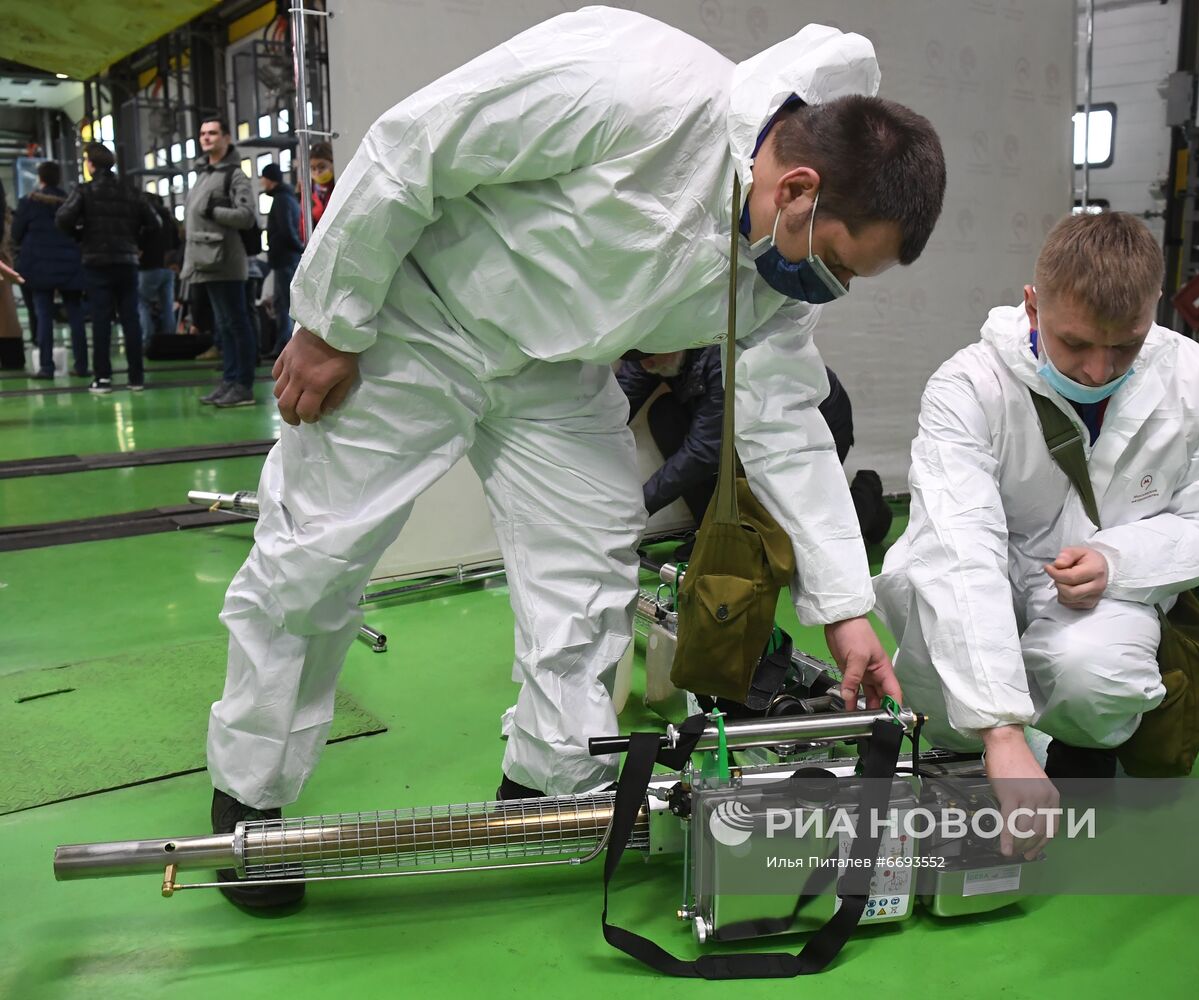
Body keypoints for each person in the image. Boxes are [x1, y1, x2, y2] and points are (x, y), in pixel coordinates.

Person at [208, 7, 947, 909]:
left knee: (589, 561)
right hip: (417, 318)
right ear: (796, 186)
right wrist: (332, 318)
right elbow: (414, 148)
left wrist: (842, 608)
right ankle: (248, 804)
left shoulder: (776, 260)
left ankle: (547, 785)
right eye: (831, 260)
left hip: (551, 370)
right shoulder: (629, 80)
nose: (821, 286)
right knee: (314, 560)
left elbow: (784, 419)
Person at [874, 213, 1199, 861]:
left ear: (1152, 311)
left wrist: (1118, 561)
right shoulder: (968, 386)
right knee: (919, 585)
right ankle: (979, 747)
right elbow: (960, 548)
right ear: (1032, 304)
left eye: (1125, 346)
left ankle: (1081, 742)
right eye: (1074, 343)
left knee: (1091, 673)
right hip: (989, 562)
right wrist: (998, 731)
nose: (1096, 369)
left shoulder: (1189, 380)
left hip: (1102, 587)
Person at [616, 346, 893, 555]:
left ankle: (867, 494)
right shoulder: (650, 349)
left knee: (797, 550)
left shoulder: (722, 353)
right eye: (641, 357)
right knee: (666, 414)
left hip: (810, 428)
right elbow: (612, 410)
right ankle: (717, 534)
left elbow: (703, 451)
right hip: (746, 428)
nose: (647, 363)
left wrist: (636, 508)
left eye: (652, 355)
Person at [55, 143, 159, 393]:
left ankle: (102, 378)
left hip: (96, 263)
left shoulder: (85, 191)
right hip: (127, 262)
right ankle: (136, 377)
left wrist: (80, 236)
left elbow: (62, 219)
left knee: (101, 320)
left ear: (91, 164)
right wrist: (137, 242)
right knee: (130, 319)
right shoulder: (130, 191)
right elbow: (155, 223)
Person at [182, 115, 258, 407]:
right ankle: (229, 380)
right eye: (203, 133)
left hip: (226, 261)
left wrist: (216, 213)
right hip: (205, 261)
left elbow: (247, 216)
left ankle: (244, 385)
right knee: (223, 326)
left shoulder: (234, 175)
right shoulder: (204, 174)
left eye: (213, 133)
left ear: (226, 138)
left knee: (237, 323)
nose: (207, 138)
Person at [12, 161, 88, 379]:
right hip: (70, 265)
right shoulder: (71, 202)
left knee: (43, 315)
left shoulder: (28, 203)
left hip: (39, 266)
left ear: (40, 178)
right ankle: (82, 366)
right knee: (75, 315)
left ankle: (46, 367)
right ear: (59, 178)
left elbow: (16, 233)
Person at [259, 163, 304, 357]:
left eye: (263, 177)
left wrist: (299, 248)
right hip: (287, 258)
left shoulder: (282, 200)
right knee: (284, 302)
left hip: (286, 258)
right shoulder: (287, 197)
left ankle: (286, 347)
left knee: (285, 304)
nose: (261, 181)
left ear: (270, 179)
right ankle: (285, 345)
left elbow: (287, 230)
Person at [136, 191, 180, 351]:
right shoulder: (169, 218)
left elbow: (140, 240)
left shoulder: (145, 219)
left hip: (148, 266)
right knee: (167, 305)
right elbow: (177, 241)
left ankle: (148, 341)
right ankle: (170, 339)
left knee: (142, 303)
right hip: (168, 267)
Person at [306, 141, 334, 228]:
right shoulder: (309, 192)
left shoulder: (340, 188)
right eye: (313, 168)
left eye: (322, 167)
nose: (317, 172)